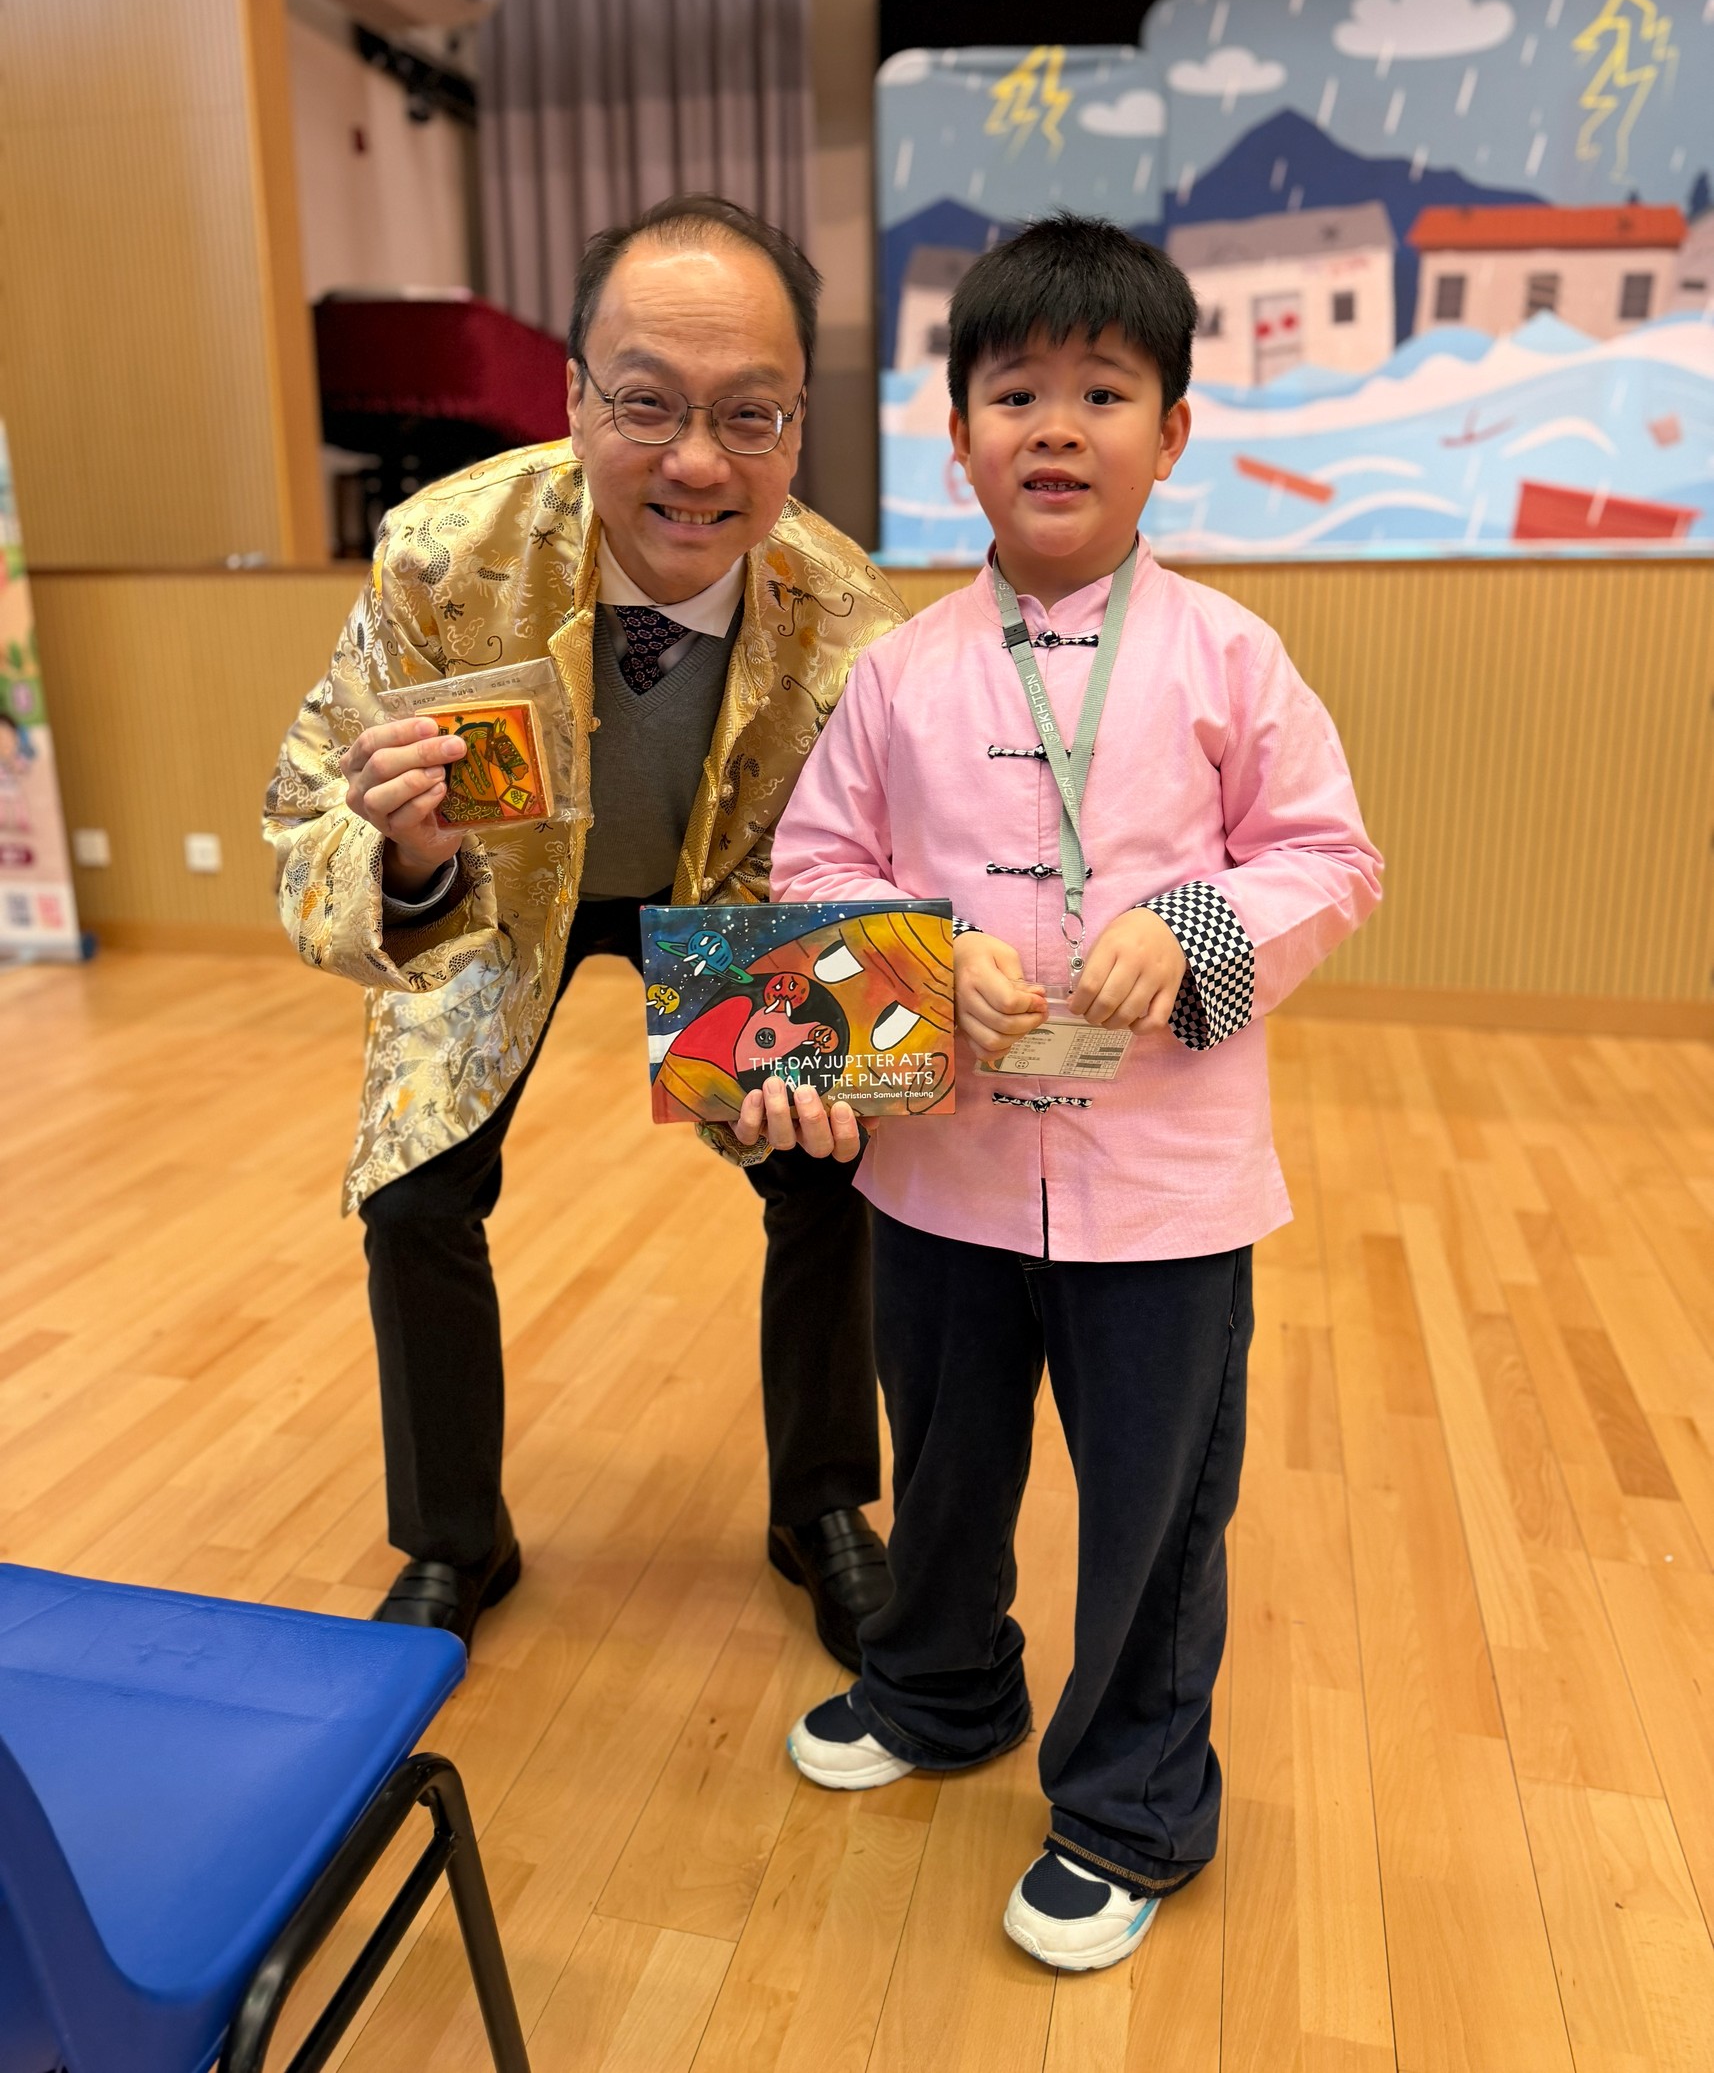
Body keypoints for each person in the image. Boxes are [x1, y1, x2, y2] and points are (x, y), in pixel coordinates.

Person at [763, 215, 1383, 1972]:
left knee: (1152, 1511)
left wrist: (1194, 928)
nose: (1054, 425)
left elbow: (1330, 857)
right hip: (941, 1175)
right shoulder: (895, 671)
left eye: (1101, 392)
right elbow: (813, 868)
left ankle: (1128, 1806)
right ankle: (938, 1684)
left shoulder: (1229, 656)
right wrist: (917, 948)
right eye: (1013, 390)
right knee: (943, 1461)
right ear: (955, 431)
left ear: (1168, 433)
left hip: (1163, 1189)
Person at [265, 197, 900, 1664]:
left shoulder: (850, 619)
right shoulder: (441, 555)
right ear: (570, 397)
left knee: (834, 1165)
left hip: (730, 898)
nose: (696, 462)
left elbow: (872, 868)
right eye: (646, 404)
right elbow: (303, 813)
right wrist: (403, 855)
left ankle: (821, 1504)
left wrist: (881, 1031)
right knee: (414, 1189)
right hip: (496, 891)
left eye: (749, 414)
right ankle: (454, 1536)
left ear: (798, 425)